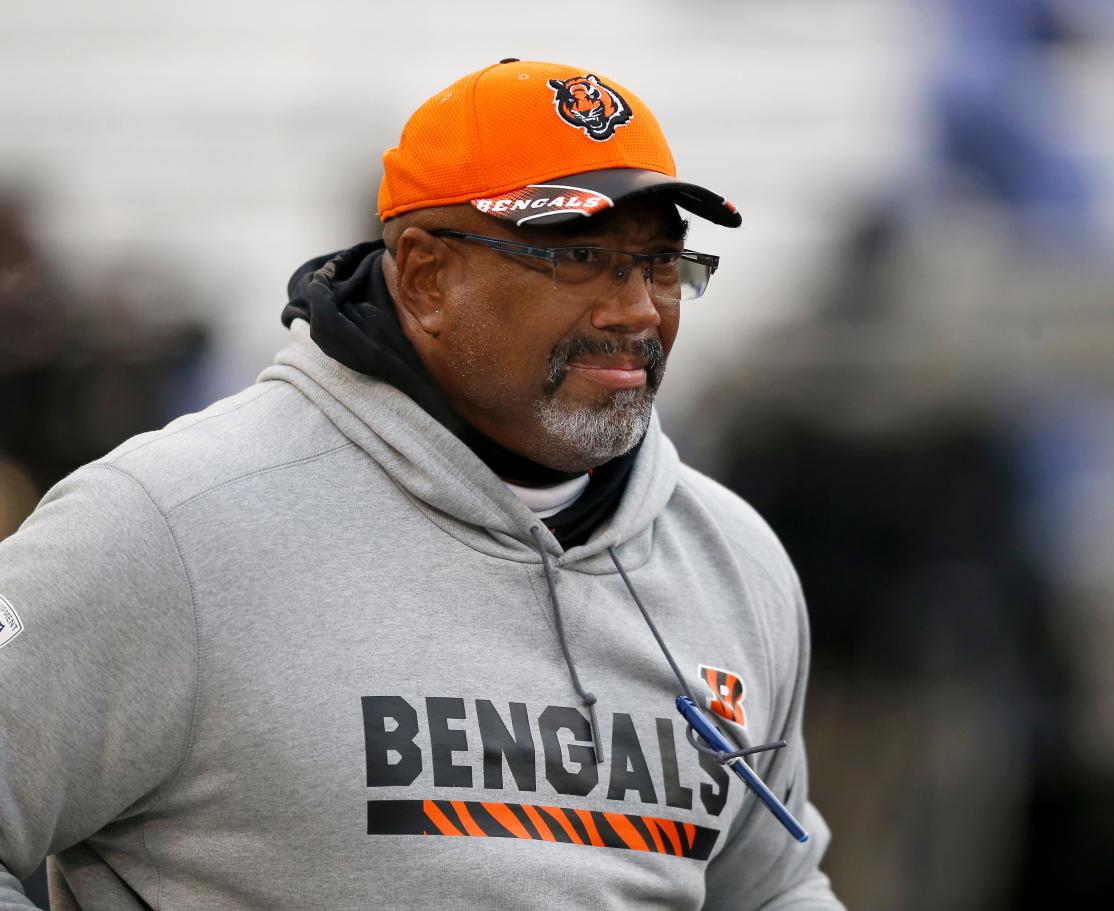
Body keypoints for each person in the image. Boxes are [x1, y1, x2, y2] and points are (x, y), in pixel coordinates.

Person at [0, 59, 844, 909]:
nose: (634, 310)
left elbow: (770, 887)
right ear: (425, 277)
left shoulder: (733, 559)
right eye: (580, 258)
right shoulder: (168, 526)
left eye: (661, 265)